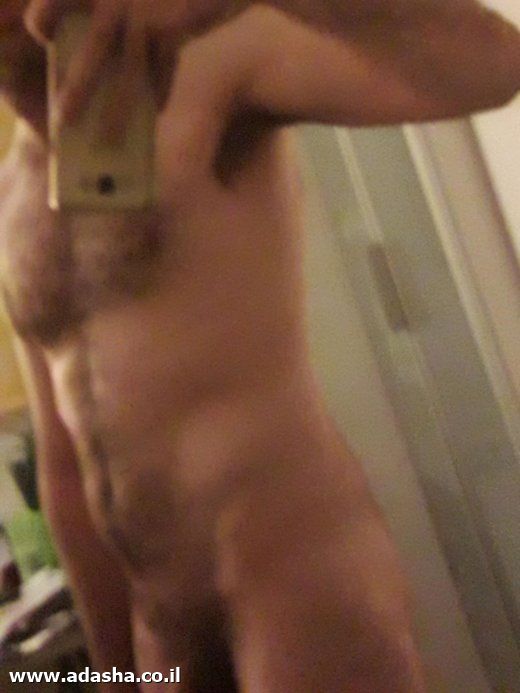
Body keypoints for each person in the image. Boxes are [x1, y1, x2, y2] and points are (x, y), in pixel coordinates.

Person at [1, 0, 519, 690]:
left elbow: (495, 66)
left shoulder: (210, 66)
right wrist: (113, 671)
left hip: (294, 589)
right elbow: (65, 467)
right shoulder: (15, 199)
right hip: (161, 628)